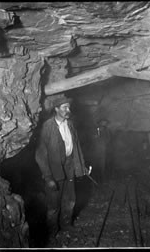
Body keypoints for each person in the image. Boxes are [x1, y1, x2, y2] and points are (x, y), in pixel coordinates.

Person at [35, 94, 88, 242]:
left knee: (70, 200)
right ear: (56, 109)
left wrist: (81, 167)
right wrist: (48, 177)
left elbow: (76, 147)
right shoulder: (47, 126)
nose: (68, 109)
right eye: (64, 107)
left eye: (69, 107)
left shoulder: (70, 124)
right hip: (54, 170)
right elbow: (40, 154)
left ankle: (66, 225)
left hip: (70, 167)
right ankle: (52, 231)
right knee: (53, 204)